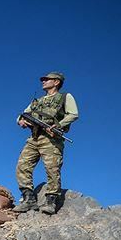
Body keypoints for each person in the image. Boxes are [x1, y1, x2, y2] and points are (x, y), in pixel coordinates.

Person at [12, 72, 78, 214]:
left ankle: (51, 201)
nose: (43, 81)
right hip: (34, 138)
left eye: (47, 79)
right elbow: (23, 114)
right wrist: (21, 121)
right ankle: (28, 199)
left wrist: (58, 125)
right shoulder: (37, 101)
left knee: (52, 169)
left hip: (51, 138)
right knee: (22, 165)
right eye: (43, 79)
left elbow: (73, 114)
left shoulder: (64, 97)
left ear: (56, 82)